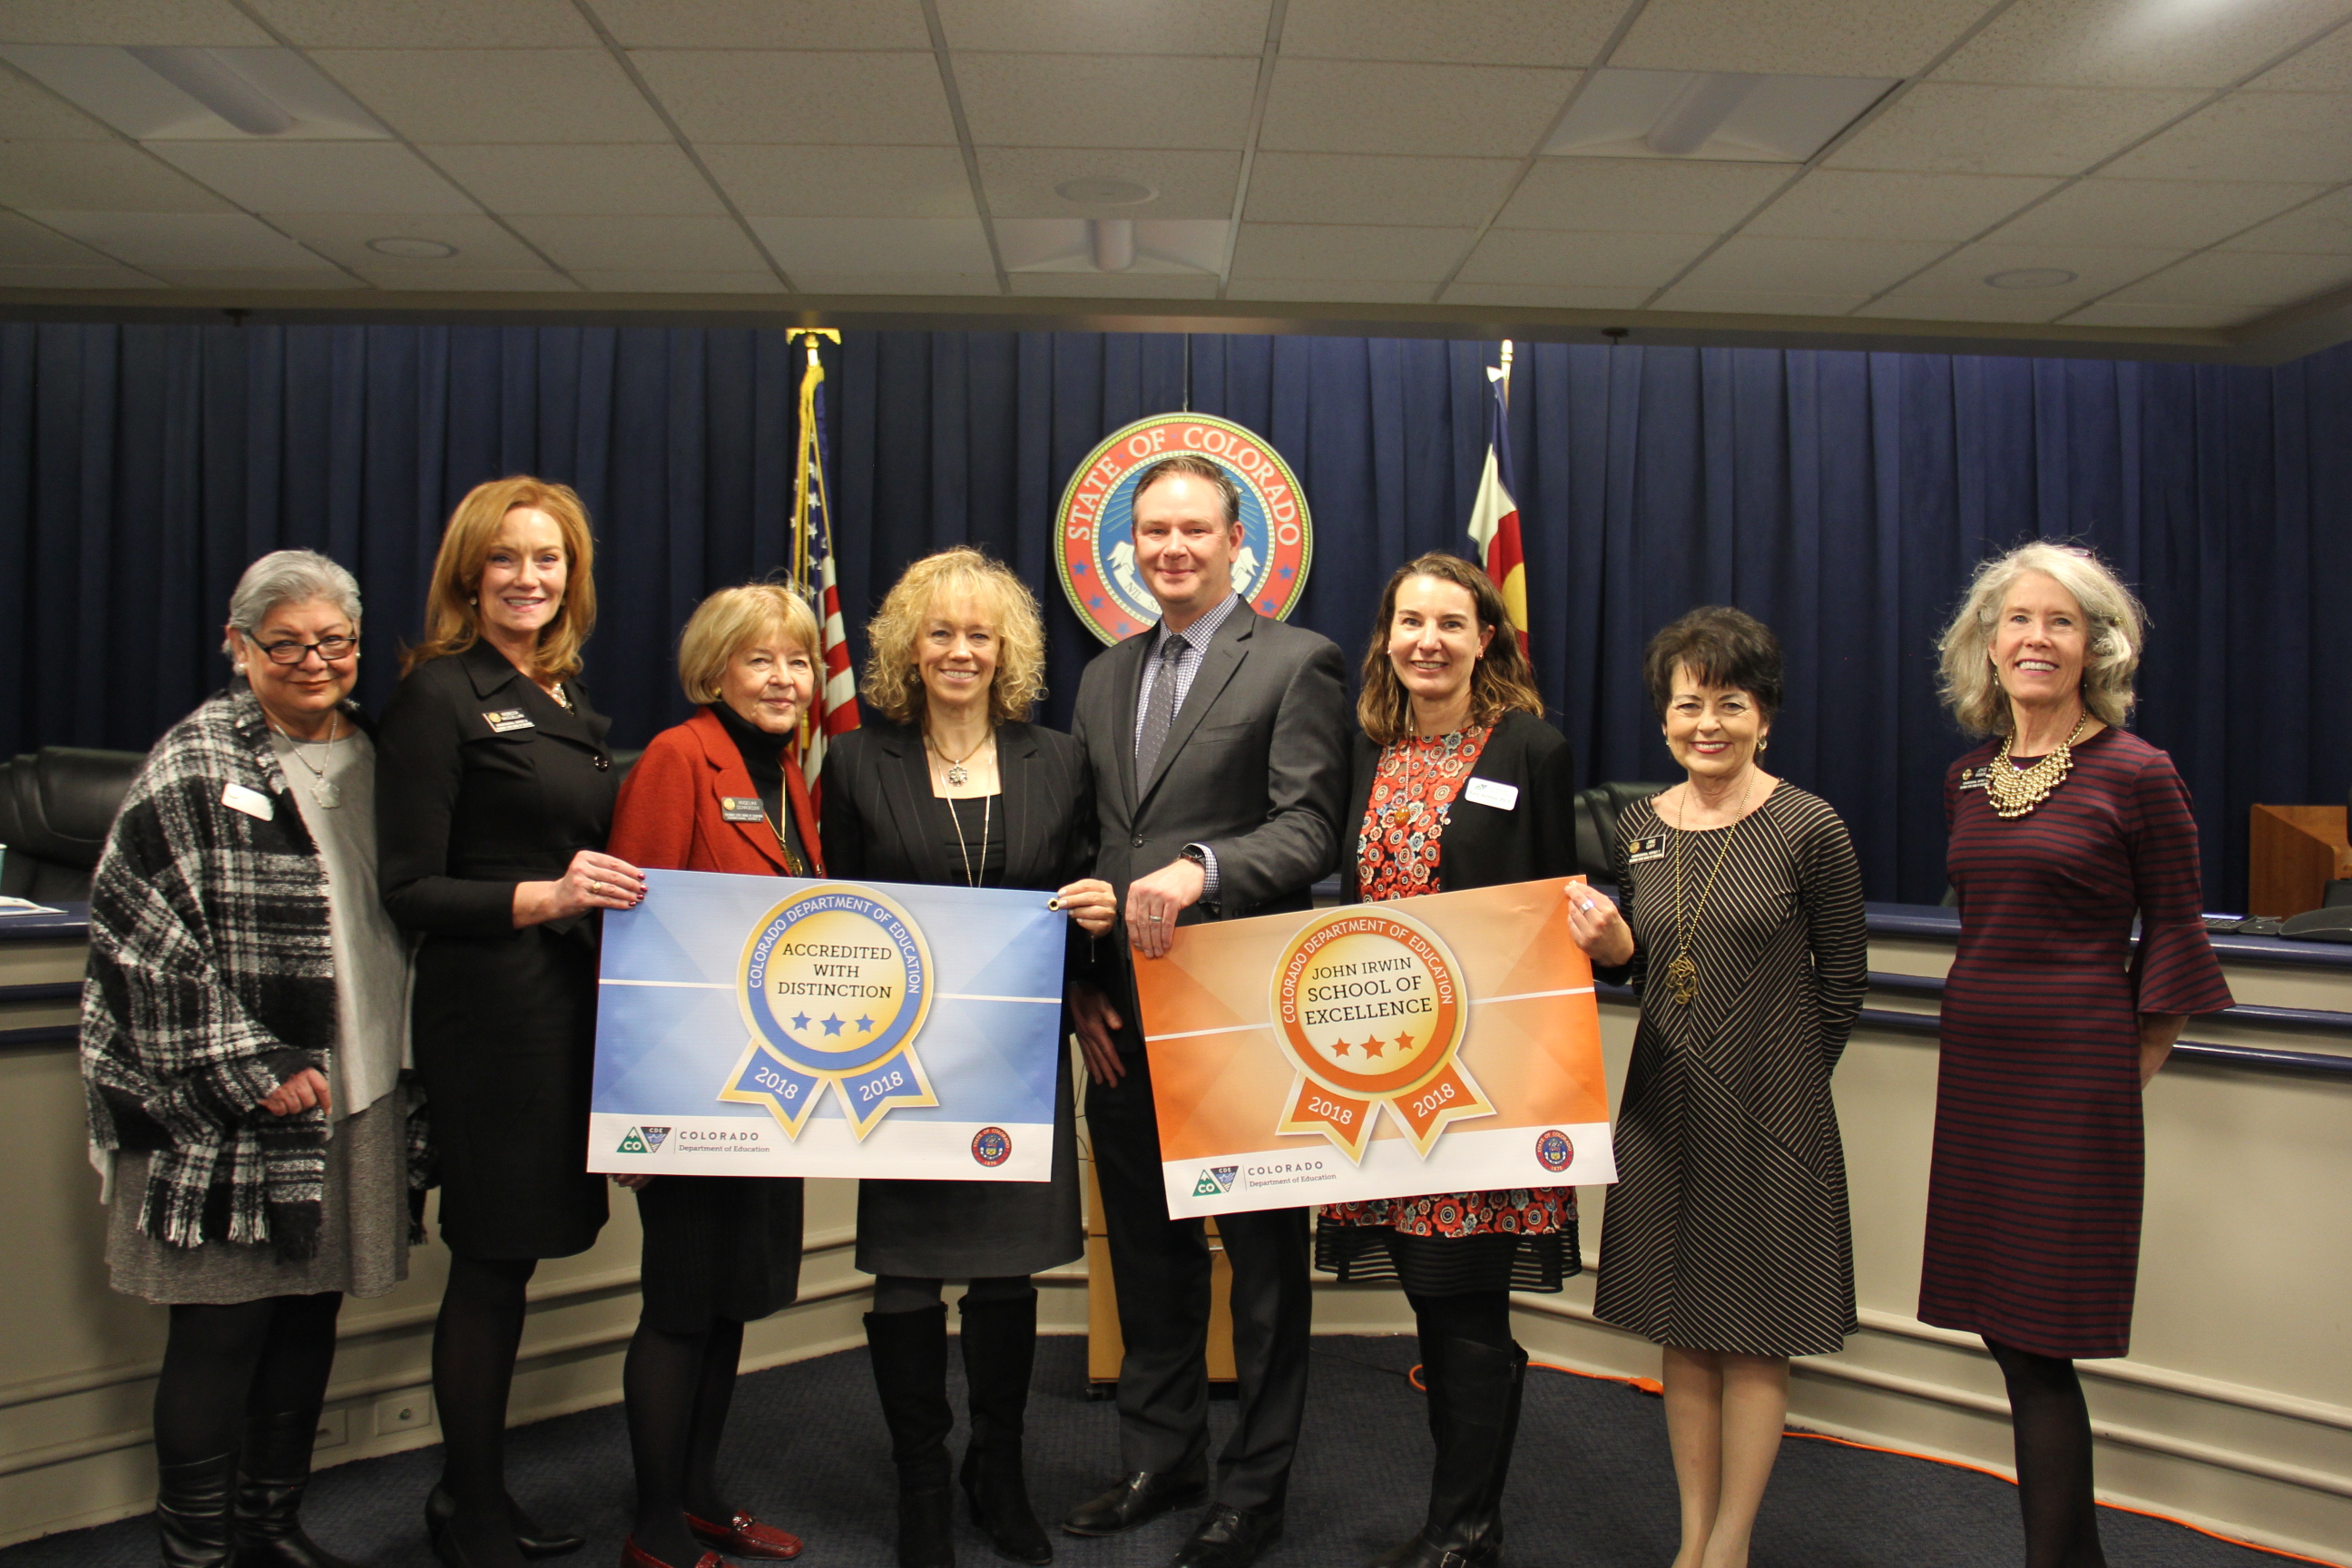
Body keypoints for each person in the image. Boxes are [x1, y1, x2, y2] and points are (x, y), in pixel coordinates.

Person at [82, 550, 426, 1568]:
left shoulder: (377, 753)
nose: (315, 661)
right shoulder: (195, 764)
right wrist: (255, 1064)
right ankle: (197, 1550)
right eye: (287, 644)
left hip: (355, 1090)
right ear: (238, 648)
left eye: (337, 642)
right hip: (230, 1112)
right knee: (222, 1335)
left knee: (307, 1319)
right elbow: (132, 937)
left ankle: (272, 1527)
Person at [1063, 456, 1351, 1568]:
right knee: (1147, 1250)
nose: (1173, 548)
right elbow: (1090, 840)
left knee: (1267, 1263)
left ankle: (1254, 1489)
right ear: (1129, 548)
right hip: (1123, 1014)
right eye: (1154, 532)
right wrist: (1083, 979)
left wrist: (1197, 867)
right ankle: (1161, 1456)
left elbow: (1309, 827)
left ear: (1240, 544)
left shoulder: (1295, 662)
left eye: (1195, 529)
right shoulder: (1100, 677)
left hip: (1241, 1013)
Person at [1922, 544, 2229, 1568]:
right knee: (2006, 1333)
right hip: (1978, 1078)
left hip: (2074, 1084)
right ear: (1987, 643)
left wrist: (2123, 1068)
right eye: (2018, 620)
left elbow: (2179, 939)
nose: (2036, 638)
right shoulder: (1969, 777)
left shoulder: (2139, 773)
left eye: (2061, 621)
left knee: (2041, 1339)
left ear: (2097, 644)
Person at [820, 547, 1115, 1568]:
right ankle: (921, 1488)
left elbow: (1081, 892)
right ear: (909, 647)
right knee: (905, 1281)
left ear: (1008, 651)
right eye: (939, 633)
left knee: (1005, 1278)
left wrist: (1090, 947)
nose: (959, 651)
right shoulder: (857, 761)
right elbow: (835, 918)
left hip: (1021, 1052)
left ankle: (999, 1470)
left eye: (979, 634)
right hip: (900, 1066)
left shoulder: (1060, 757)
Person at [377, 477, 647, 1568]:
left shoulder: (566, 699)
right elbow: (408, 890)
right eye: (506, 560)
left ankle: (474, 1493)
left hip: (564, 1010)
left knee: (518, 1260)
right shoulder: (438, 697)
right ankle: (470, 1510)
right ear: (466, 575)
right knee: (490, 1263)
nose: (528, 579)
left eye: (548, 561)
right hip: (490, 1020)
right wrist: (550, 896)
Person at [1565, 606, 1867, 1568]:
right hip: (1662, 1111)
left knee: (1754, 1337)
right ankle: (1690, 1537)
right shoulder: (1639, 826)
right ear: (1663, 719)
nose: (1708, 723)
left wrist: (1781, 1084)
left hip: (1771, 1119)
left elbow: (1844, 981)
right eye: (1689, 704)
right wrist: (1615, 954)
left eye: (1729, 704)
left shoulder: (1809, 825)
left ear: (1764, 717)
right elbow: (1649, 965)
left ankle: (1730, 1546)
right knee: (1682, 1331)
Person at [1316, 554, 1576, 1568]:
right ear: (1387, 637)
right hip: (1378, 1069)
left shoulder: (1530, 749)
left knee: (1466, 1291)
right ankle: (1465, 1520)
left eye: (1450, 624)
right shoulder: (1367, 752)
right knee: (1431, 1289)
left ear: (1485, 640)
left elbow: (1552, 916)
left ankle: (1465, 1530)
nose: (1427, 640)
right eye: (1409, 622)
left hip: (1483, 1077)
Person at [604, 584, 828, 1568]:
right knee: (680, 1305)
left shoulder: (788, 777)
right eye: (760, 661)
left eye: (797, 661)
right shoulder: (675, 757)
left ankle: (699, 1497)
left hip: (771, 1090)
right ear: (714, 673)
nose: (784, 679)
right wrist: (635, 1112)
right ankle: (652, 1529)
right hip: (688, 1090)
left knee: (733, 1298)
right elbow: (633, 938)